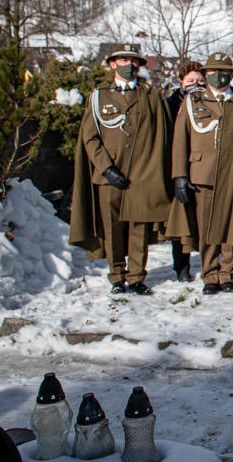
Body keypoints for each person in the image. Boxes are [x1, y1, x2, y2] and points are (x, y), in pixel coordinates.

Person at [69, 43, 172, 295]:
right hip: (110, 176)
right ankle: (117, 276)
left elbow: (162, 135)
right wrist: (106, 168)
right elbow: (90, 137)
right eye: (123, 61)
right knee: (111, 229)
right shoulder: (99, 96)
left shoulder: (151, 96)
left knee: (139, 227)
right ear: (113, 64)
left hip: (141, 175)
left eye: (134, 61)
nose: (129, 65)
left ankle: (137, 276)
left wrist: (152, 170)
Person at [166, 53, 233, 294]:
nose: (217, 76)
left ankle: (229, 273)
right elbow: (180, 141)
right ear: (206, 74)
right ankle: (210, 274)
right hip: (203, 175)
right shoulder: (192, 102)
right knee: (207, 228)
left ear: (232, 75)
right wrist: (180, 175)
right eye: (211, 72)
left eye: (223, 71)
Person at [163, 60, 206, 282]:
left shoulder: (209, 102)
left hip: (201, 165)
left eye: (200, 80)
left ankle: (209, 262)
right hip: (177, 165)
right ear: (181, 82)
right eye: (190, 80)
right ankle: (181, 266)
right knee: (181, 218)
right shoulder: (170, 104)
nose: (195, 84)